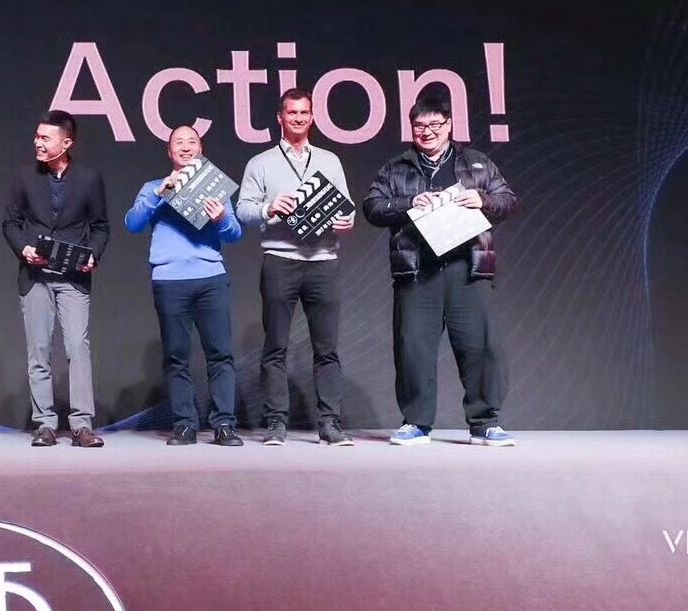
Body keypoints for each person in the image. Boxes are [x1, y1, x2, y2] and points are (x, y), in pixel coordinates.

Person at [361, 95, 519, 446]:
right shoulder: (396, 168)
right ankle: (416, 422)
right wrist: (408, 203)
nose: (427, 132)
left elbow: (508, 201)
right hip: (417, 271)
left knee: (479, 346)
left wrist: (483, 200)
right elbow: (371, 207)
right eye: (419, 126)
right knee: (413, 348)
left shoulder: (476, 162)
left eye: (435, 124)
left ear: (449, 125)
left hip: (468, 268)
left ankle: (485, 422)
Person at [235, 89, 358, 446]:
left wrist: (346, 220)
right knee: (275, 346)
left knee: (327, 348)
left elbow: (346, 208)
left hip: (323, 261)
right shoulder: (260, 163)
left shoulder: (329, 160)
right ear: (280, 117)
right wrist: (270, 207)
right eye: (292, 113)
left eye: (304, 112)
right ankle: (276, 422)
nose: (298, 118)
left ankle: (330, 423)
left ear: (313, 117)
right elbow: (243, 210)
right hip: (280, 259)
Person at [125, 124, 244, 445]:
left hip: (211, 278)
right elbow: (132, 224)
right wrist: (159, 194)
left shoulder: (213, 185)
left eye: (192, 142)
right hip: (169, 281)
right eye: (179, 142)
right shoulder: (153, 187)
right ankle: (184, 425)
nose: (186, 147)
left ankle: (224, 425)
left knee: (220, 354)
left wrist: (221, 219)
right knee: (176, 356)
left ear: (201, 149)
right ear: (169, 151)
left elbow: (235, 234)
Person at [3, 110, 109, 447]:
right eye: (37, 137)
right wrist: (24, 249)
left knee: (78, 347)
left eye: (45, 138)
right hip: (35, 275)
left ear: (66, 143)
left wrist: (92, 254)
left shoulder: (89, 178)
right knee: (39, 351)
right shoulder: (24, 177)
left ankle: (82, 425)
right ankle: (45, 424)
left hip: (73, 276)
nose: (38, 142)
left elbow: (100, 227)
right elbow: (11, 223)